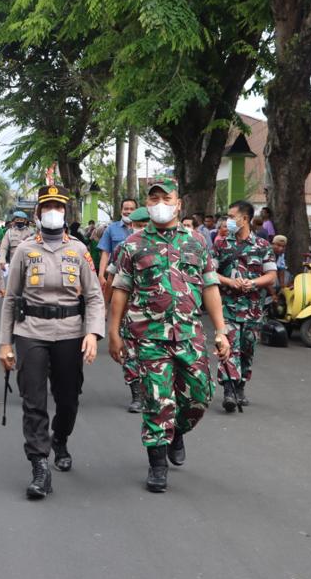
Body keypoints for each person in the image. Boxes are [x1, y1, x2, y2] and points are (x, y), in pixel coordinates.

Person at [109, 178, 230, 493]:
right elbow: (120, 290)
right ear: (147, 205)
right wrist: (113, 333)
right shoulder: (132, 244)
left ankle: (176, 433)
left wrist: (221, 331)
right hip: (148, 337)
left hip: (190, 335)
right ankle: (157, 464)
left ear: (179, 204)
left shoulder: (197, 242)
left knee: (199, 395)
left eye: (166, 197)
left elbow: (210, 287)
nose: (160, 203)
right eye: (154, 198)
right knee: (157, 400)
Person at [0, 185, 104, 499]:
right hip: (30, 330)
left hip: (70, 332)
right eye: (47, 207)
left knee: (68, 398)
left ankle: (60, 438)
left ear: (65, 212)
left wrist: (92, 334)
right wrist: (5, 343)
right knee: (33, 400)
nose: (53, 211)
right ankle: (39, 465)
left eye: (58, 206)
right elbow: (11, 298)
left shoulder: (80, 251)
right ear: (37, 214)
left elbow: (95, 296)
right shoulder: (24, 249)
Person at [214, 200, 277, 413]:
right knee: (227, 348)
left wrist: (253, 283)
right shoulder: (221, 244)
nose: (228, 221)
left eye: (232, 217)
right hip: (227, 307)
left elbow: (271, 276)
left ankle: (240, 386)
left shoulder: (262, 246)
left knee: (247, 349)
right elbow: (210, 273)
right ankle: (229, 391)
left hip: (252, 309)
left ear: (245, 219)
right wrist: (229, 282)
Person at [108, 207, 150, 414]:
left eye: (145, 225)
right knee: (131, 355)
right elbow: (112, 281)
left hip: (156, 315)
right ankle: (137, 394)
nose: (141, 229)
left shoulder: (164, 248)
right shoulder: (123, 248)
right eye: (137, 226)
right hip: (130, 313)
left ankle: (154, 391)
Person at [97, 198, 139, 284]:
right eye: (126, 209)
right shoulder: (111, 229)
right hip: (115, 275)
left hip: (138, 274)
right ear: (121, 211)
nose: (128, 211)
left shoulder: (143, 229)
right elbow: (105, 253)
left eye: (132, 209)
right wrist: (101, 275)